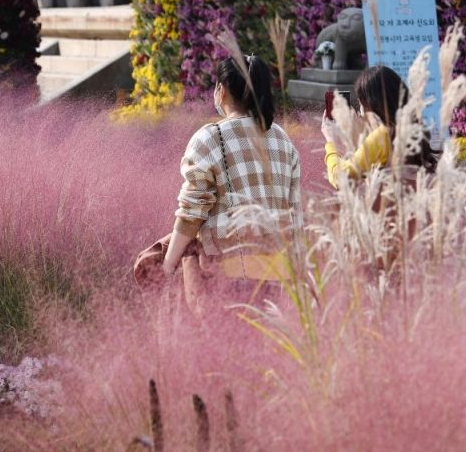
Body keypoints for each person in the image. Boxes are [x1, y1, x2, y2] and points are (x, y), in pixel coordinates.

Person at [160, 55, 301, 310]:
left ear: (221, 90)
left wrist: (168, 264)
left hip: (228, 275)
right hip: (278, 274)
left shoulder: (210, 138)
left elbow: (192, 212)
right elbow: (294, 212)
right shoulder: (282, 139)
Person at [321, 65, 436, 189]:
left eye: (361, 104)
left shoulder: (382, 136)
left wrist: (331, 141)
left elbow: (340, 178)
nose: (361, 113)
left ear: (372, 105)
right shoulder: (413, 126)